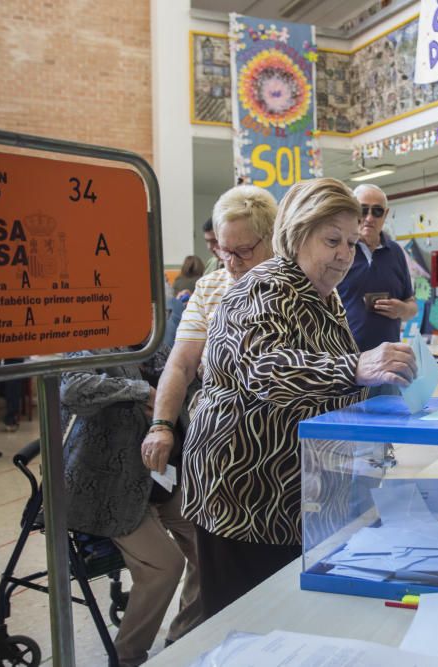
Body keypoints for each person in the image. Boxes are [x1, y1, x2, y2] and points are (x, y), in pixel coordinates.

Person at [178, 178, 417, 620]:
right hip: (245, 494)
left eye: (350, 241)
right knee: (243, 622)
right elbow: (263, 369)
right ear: (298, 232)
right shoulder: (264, 286)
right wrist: (355, 367)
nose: (345, 254)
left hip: (297, 492)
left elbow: (329, 387)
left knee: (284, 617)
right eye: (332, 241)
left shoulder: (323, 298)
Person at [61, 349, 200, 667]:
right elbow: (71, 390)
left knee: (211, 547)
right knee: (164, 566)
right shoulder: (89, 342)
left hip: (163, 477)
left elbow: (184, 380)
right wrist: (142, 391)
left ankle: (185, 633)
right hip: (108, 485)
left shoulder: (154, 346)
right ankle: (127, 656)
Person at [141, 185, 277, 474]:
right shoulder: (209, 287)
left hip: (279, 441)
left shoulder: (300, 287)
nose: (232, 263)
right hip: (219, 438)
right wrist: (161, 425)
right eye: (223, 250)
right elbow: (181, 363)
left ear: (272, 240)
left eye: (244, 251)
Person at [337, 184, 418, 353]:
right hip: (345, 359)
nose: (369, 217)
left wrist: (401, 309)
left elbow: (412, 305)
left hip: (388, 358)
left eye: (377, 211)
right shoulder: (339, 249)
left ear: (386, 214)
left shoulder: (396, 252)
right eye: (363, 210)